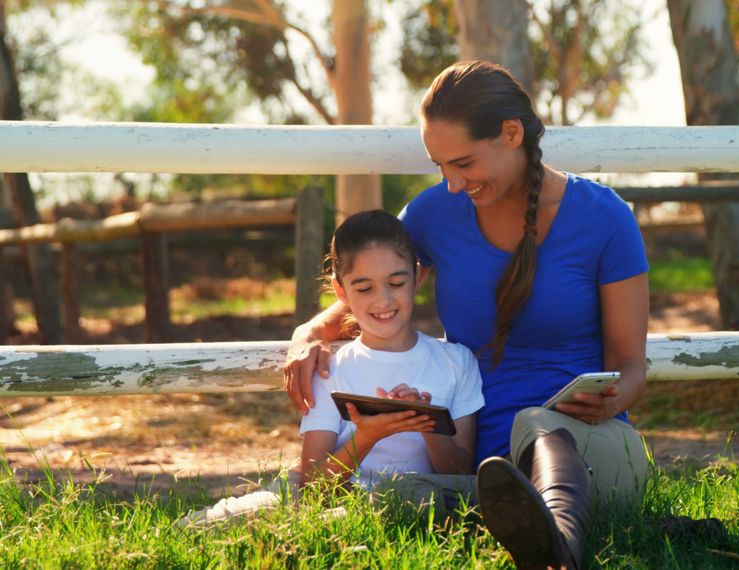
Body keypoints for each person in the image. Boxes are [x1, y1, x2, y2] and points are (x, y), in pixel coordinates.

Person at [284, 61, 650, 569]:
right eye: (440, 167)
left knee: (539, 427)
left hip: (585, 449)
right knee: (402, 496)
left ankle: (557, 542)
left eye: (463, 164)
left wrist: (609, 402)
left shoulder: (605, 218)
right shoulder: (435, 214)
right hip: (477, 466)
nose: (453, 184)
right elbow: (376, 290)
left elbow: (631, 365)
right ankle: (531, 527)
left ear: (511, 133)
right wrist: (309, 332)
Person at [178, 210, 484, 528]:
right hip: (329, 494)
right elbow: (312, 483)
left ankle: (317, 528)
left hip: (407, 497)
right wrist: (367, 436)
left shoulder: (456, 362)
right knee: (201, 527)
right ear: (341, 291)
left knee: (397, 500)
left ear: (417, 276)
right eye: (364, 289)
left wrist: (427, 424)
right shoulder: (331, 367)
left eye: (396, 282)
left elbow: (460, 474)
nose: (383, 300)